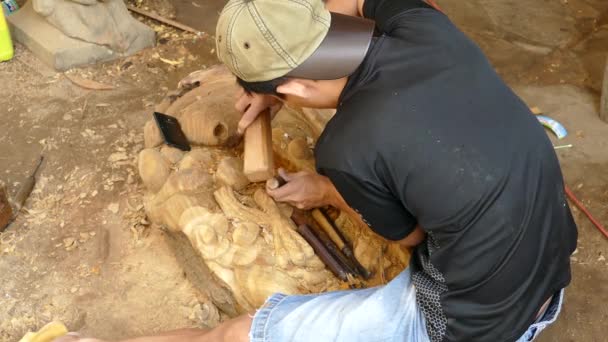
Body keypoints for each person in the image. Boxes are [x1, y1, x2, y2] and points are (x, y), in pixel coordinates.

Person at [56, 0, 578, 341]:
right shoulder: (423, 25)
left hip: (478, 326)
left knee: (235, 335)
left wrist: (327, 190)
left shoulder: (349, 147)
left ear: (296, 90)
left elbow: (413, 235)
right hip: (550, 274)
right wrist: (280, 56)